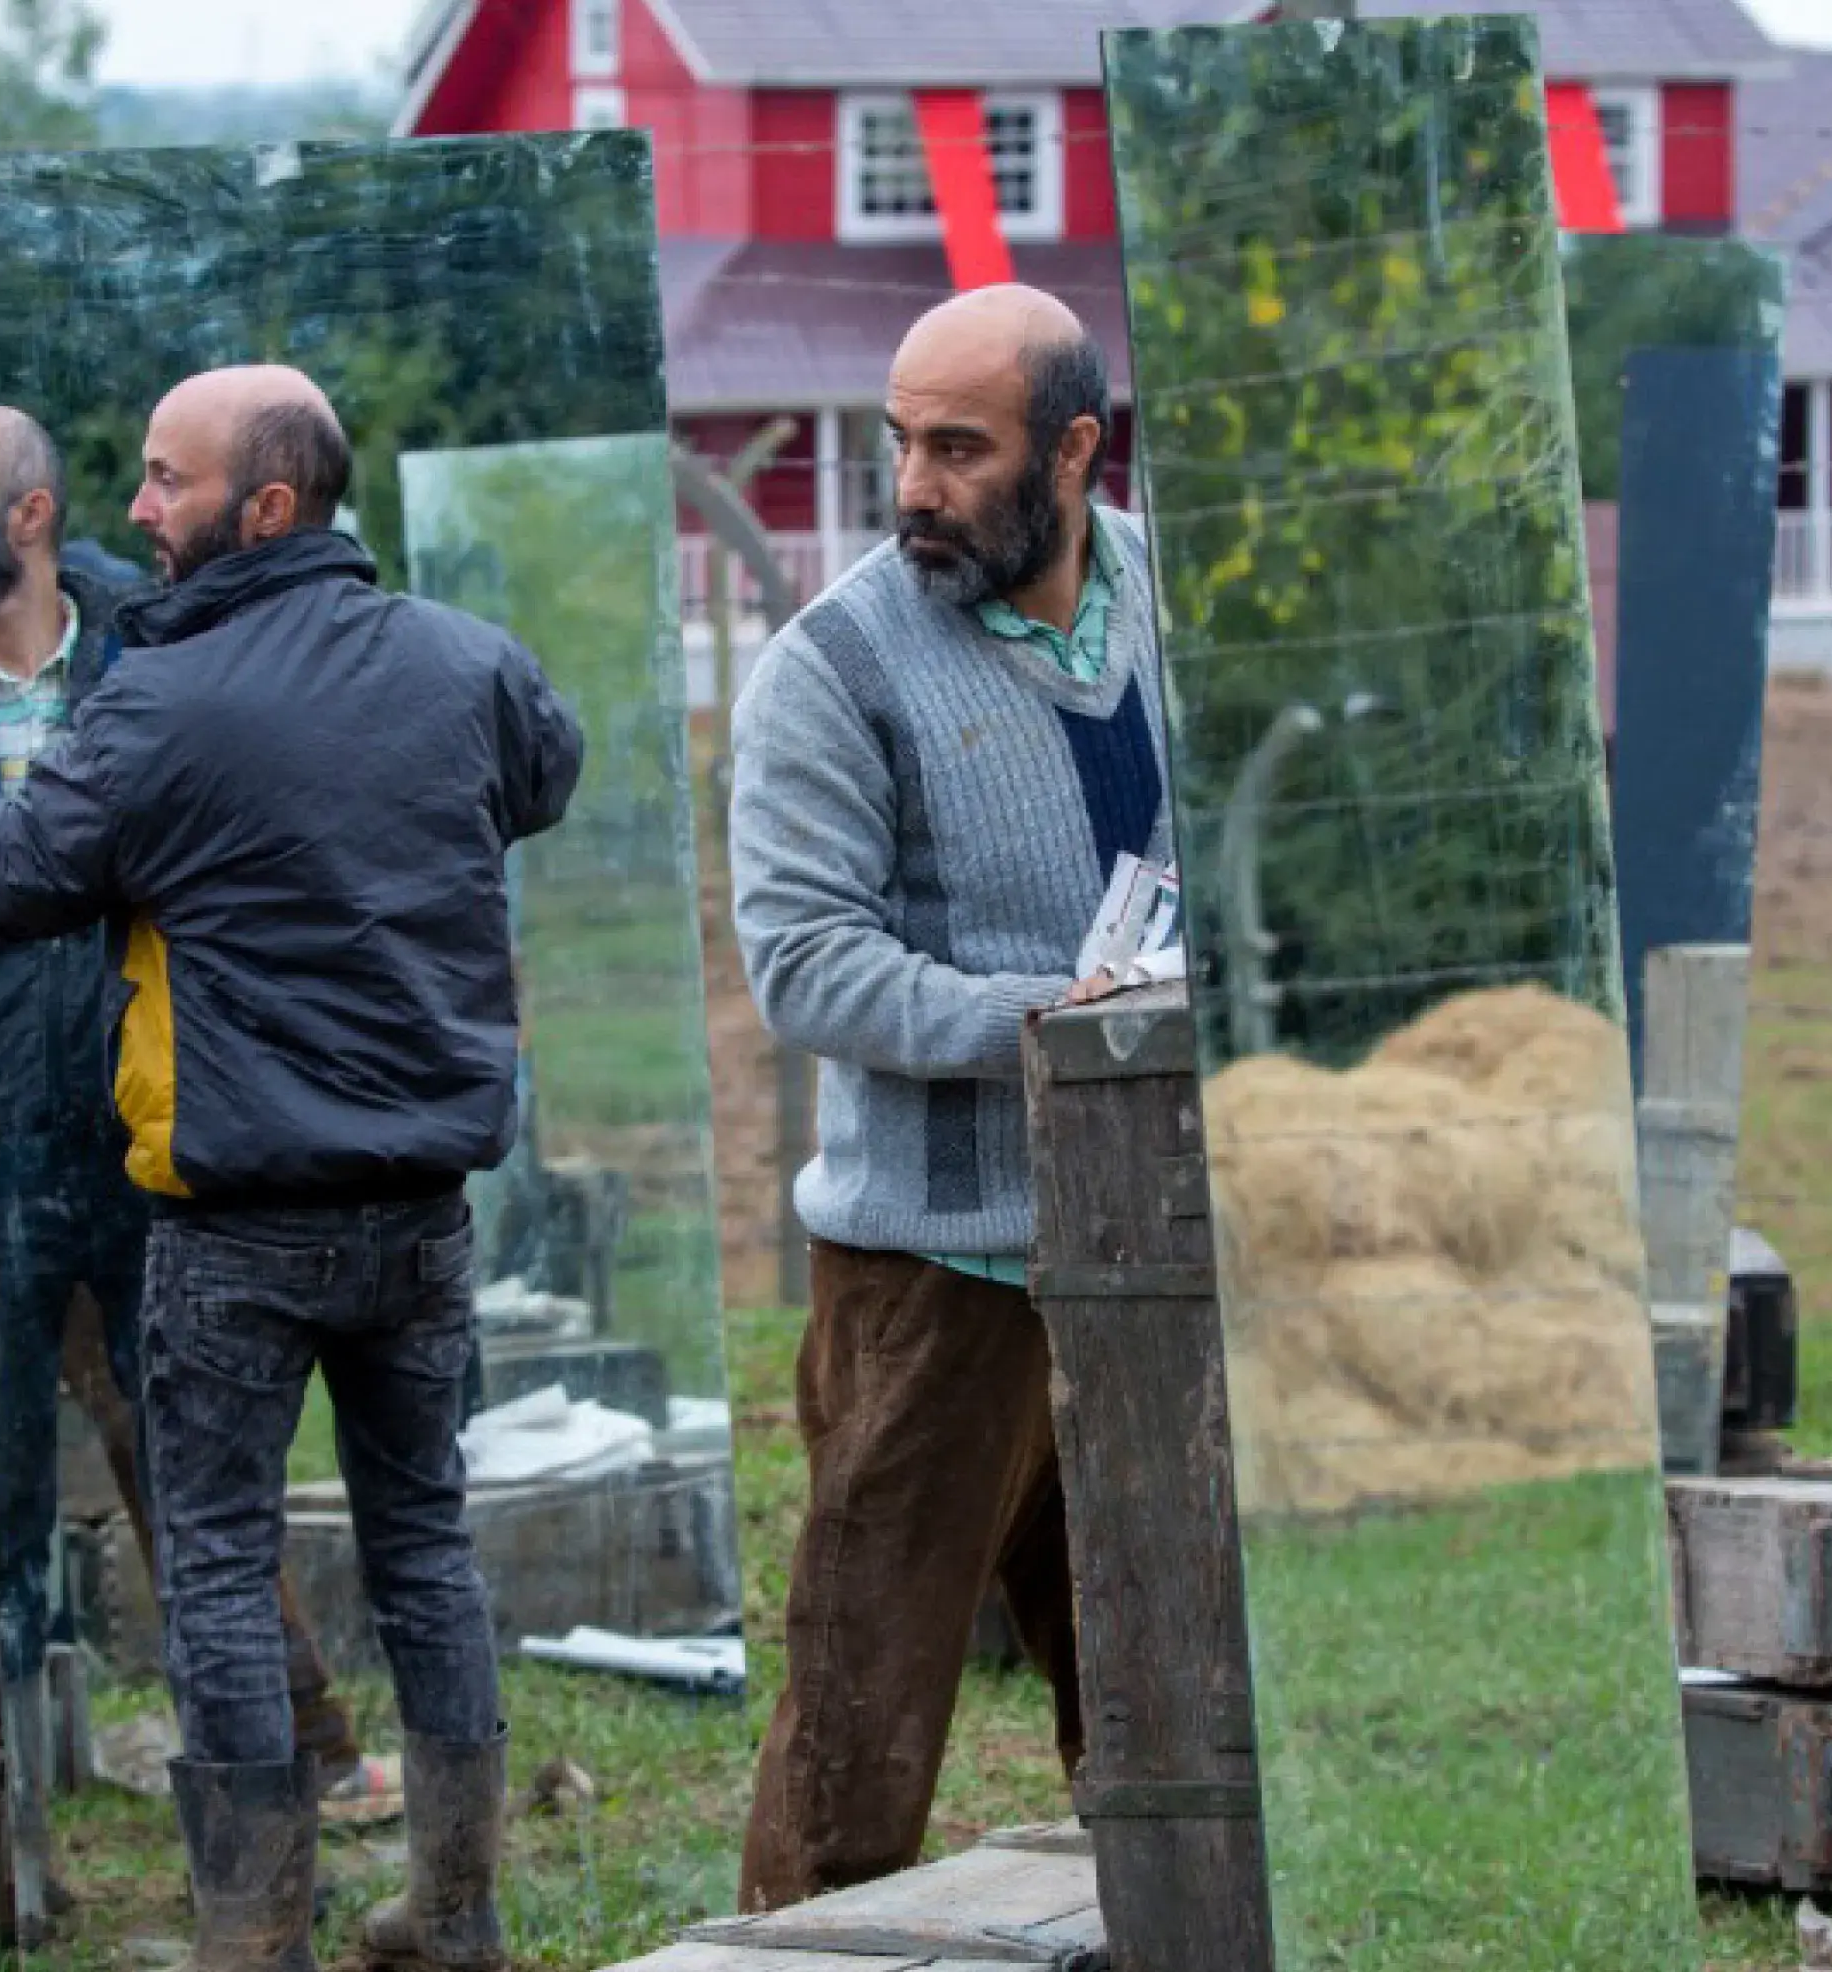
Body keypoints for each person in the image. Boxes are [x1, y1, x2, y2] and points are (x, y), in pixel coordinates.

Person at [0, 365, 582, 1972]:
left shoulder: (157, 704)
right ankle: (455, 1914)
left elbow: (25, 875)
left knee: (212, 1563)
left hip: (236, 1229)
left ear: (265, 507)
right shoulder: (466, 662)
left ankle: (253, 1944)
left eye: (167, 480)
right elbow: (539, 776)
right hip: (420, 1220)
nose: (138, 508)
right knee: (425, 1547)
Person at [727, 284, 1164, 1907]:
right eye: (899, 442)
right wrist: (1055, 1025)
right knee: (857, 1746)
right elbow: (803, 965)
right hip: (935, 1279)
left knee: (1173, 1709)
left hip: (1159, 1262)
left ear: (1074, 449)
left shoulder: (1177, 604)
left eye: (958, 449)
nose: (912, 484)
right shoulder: (832, 666)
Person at [0, 409, 380, 1931]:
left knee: (180, 1451)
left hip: (154, 1111)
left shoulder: (156, 640)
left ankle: (299, 1766)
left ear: (26, 515)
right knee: (5, 1460)